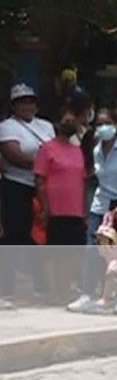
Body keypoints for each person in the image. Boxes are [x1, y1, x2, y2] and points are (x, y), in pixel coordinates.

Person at [70, 107, 117, 315]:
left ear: (115, 125)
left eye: (106, 123)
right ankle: (87, 294)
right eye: (99, 124)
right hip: (101, 205)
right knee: (92, 249)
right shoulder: (97, 150)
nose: (103, 128)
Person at [0, 84, 55, 306]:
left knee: (41, 237)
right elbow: (14, 155)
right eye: (22, 101)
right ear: (14, 105)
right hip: (17, 187)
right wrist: (43, 164)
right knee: (13, 237)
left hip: (45, 188)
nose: (27, 105)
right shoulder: (7, 127)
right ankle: (5, 290)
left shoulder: (46, 126)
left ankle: (43, 285)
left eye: (30, 101)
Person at [32, 98, 89, 304]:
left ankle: (65, 291)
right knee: (54, 254)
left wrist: (84, 211)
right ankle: (56, 294)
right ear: (57, 124)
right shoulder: (47, 149)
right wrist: (45, 208)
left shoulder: (77, 151)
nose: (69, 122)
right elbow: (40, 181)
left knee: (73, 253)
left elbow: (81, 181)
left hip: (75, 210)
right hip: (55, 209)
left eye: (72, 119)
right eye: (65, 119)